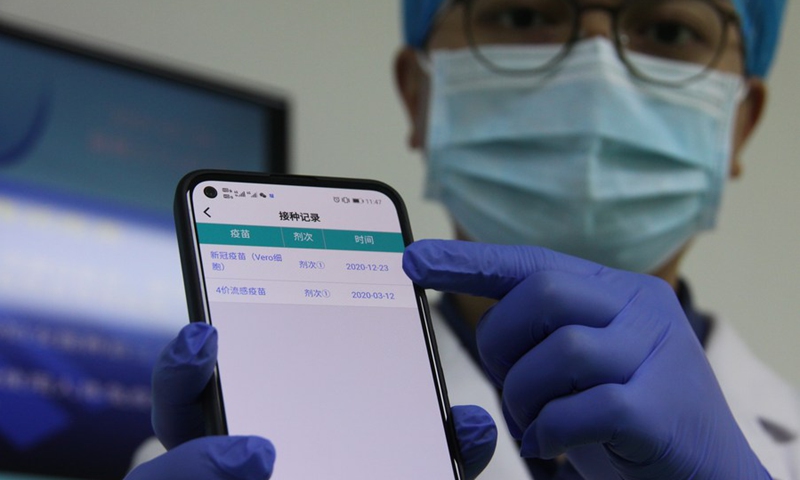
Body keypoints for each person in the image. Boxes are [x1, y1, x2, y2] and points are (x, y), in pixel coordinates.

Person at [125, 0, 796, 478]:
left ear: (741, 123)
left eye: (668, 28)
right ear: (419, 94)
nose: (597, 73)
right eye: (525, 16)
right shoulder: (229, 447)